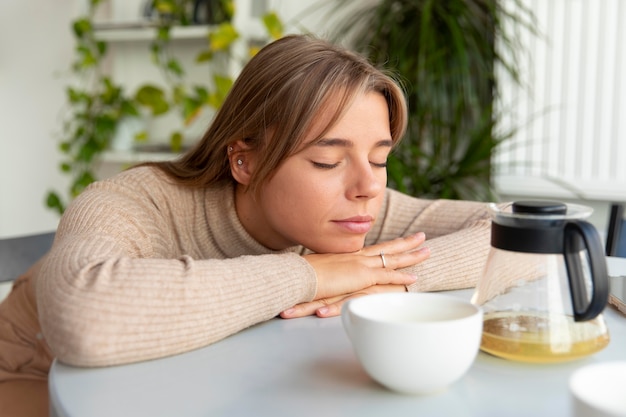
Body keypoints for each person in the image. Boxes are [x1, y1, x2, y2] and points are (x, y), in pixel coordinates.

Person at [0, 34, 492, 415]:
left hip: (190, 380)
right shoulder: (137, 202)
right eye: (327, 161)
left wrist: (377, 273)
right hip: (33, 377)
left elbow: (517, 233)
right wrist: (313, 276)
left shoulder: (351, 211)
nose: (367, 185)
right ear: (245, 162)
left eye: (380, 159)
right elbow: (86, 320)